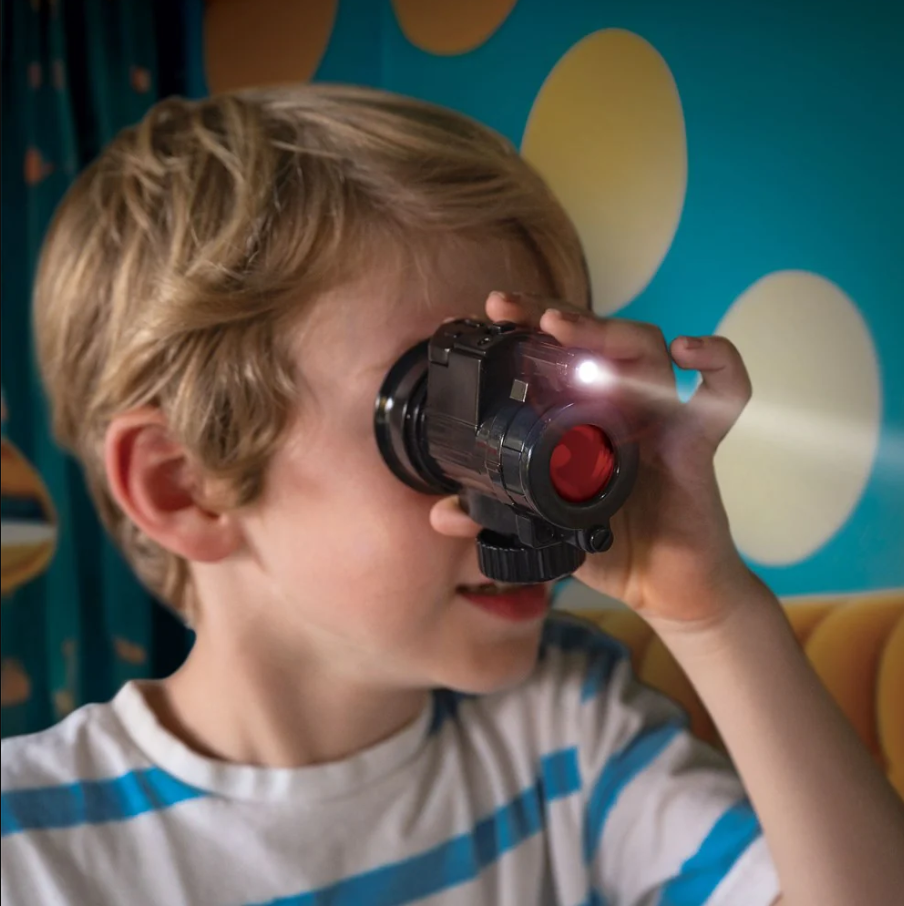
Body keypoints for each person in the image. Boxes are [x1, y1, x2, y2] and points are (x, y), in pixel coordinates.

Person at [1, 84, 902, 906]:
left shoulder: (566, 735)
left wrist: (712, 611)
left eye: (544, 386)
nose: (540, 481)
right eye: (442, 420)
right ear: (185, 487)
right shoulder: (31, 853)